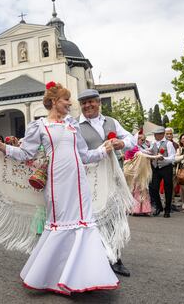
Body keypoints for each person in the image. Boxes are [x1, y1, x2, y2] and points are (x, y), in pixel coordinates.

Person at [0, 82, 119, 294]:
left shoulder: (73, 125)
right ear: (55, 102)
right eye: (66, 99)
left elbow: (84, 155)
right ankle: (53, 276)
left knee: (83, 224)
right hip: (57, 183)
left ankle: (82, 277)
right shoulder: (39, 126)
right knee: (61, 224)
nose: (69, 103)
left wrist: (104, 150)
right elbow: (25, 154)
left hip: (79, 182)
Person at [77, 88, 136, 277]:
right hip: (90, 179)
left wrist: (122, 143)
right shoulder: (76, 126)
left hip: (113, 177)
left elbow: (131, 139)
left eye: (91, 101)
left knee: (115, 216)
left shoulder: (111, 122)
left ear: (98, 102)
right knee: (94, 217)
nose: (87, 106)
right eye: (83, 103)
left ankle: (115, 258)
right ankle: (96, 258)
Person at [148, 127, 176, 218]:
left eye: (157, 134)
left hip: (166, 167)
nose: (155, 136)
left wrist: (164, 158)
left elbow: (172, 157)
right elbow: (150, 151)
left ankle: (167, 210)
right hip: (155, 167)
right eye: (155, 134)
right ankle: (159, 206)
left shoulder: (169, 144)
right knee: (153, 187)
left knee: (168, 188)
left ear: (162, 134)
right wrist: (140, 151)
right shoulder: (153, 143)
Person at [124, 133, 153, 215]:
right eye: (141, 140)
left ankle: (143, 209)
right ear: (136, 139)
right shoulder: (133, 147)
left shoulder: (140, 147)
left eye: (144, 140)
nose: (143, 142)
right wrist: (155, 155)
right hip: (132, 172)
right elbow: (142, 154)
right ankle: (134, 210)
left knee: (142, 189)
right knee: (135, 190)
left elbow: (145, 152)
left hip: (139, 172)